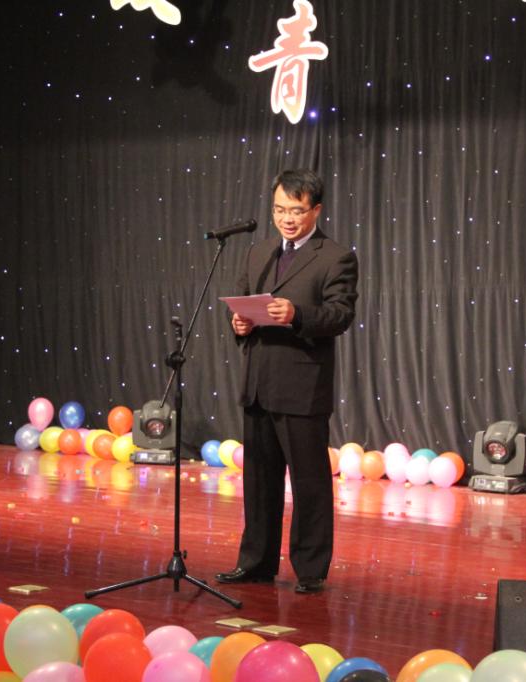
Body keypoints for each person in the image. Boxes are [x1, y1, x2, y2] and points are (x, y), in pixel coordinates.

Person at [215, 168, 358, 594]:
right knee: (259, 480)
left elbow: (340, 315)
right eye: (279, 210)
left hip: (302, 386)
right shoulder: (258, 252)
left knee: (309, 482)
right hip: (259, 382)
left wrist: (297, 314)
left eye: (295, 211)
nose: (286, 219)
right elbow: (243, 306)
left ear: (316, 210)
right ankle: (255, 562)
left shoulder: (335, 257)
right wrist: (239, 324)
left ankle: (310, 569)